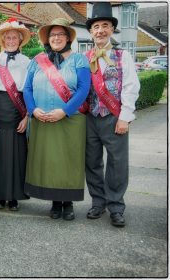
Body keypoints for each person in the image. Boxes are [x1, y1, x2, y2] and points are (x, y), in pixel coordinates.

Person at [23, 18, 91, 220]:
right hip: (42, 120)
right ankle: (55, 202)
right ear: (47, 39)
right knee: (50, 162)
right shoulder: (37, 61)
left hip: (70, 120)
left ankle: (68, 203)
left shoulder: (79, 60)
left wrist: (65, 111)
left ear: (68, 38)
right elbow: (27, 88)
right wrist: (33, 110)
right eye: (53, 35)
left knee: (68, 161)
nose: (56, 38)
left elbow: (83, 89)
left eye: (61, 34)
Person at [85, 3, 140, 227]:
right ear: (91, 31)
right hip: (90, 118)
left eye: (105, 26)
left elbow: (130, 86)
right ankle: (98, 202)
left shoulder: (122, 55)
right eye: (96, 26)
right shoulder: (84, 57)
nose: (100, 30)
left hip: (114, 117)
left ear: (112, 30)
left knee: (117, 163)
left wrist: (125, 117)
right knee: (92, 162)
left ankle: (116, 206)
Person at [0, 17, 31, 211]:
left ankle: (14, 197)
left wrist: (27, 117)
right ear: (2, 40)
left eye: (14, 38)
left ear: (20, 40)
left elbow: (30, 91)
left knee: (17, 156)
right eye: (7, 38)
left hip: (18, 112)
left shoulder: (28, 62)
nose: (10, 41)